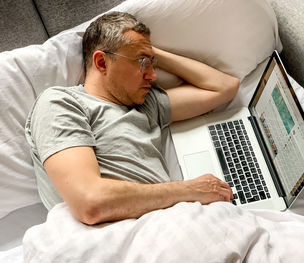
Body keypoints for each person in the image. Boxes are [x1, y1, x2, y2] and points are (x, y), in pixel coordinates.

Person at [25, 11, 240, 225]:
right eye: (142, 63)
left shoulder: (146, 104)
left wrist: (150, 53)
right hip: (115, 236)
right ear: (102, 63)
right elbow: (91, 203)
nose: (153, 75)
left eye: (152, 64)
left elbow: (224, 88)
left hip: (170, 225)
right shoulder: (61, 103)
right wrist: (191, 190)